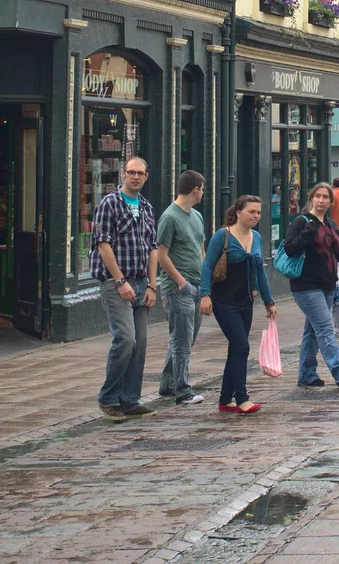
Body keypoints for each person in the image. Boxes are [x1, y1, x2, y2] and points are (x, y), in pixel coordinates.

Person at [90, 156, 159, 421]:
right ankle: (108, 398)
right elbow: (103, 245)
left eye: (140, 173)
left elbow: (153, 248)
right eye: (131, 172)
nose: (136, 177)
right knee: (126, 339)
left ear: (146, 177)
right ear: (122, 174)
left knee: (140, 344)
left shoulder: (146, 207)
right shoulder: (109, 204)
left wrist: (152, 285)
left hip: (142, 282)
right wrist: (119, 281)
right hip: (115, 282)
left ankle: (130, 399)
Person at [199, 196, 277, 414]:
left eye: (259, 213)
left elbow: (260, 272)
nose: (256, 216)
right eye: (252, 212)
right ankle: (242, 398)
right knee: (242, 346)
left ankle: (225, 400)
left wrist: (269, 301)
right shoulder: (222, 236)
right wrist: (204, 295)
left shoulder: (257, 237)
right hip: (224, 301)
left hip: (246, 302)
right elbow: (206, 267)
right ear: (239, 212)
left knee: (236, 349)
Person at [286, 182, 339, 388]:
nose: (321, 200)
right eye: (317, 196)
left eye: (325, 197)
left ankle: (306, 374)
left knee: (313, 331)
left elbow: (334, 255)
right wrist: (308, 232)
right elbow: (290, 248)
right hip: (306, 285)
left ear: (331, 201)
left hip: (328, 284)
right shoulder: (301, 221)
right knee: (324, 327)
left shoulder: (331, 224)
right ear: (311, 198)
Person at [156, 170, 207, 405]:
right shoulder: (170, 217)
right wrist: (181, 282)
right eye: (202, 189)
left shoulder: (196, 216)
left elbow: (200, 248)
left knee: (186, 336)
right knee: (181, 340)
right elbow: (161, 255)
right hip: (178, 288)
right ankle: (183, 391)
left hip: (197, 284)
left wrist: (205, 279)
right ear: (195, 189)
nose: (203, 193)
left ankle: (168, 384)